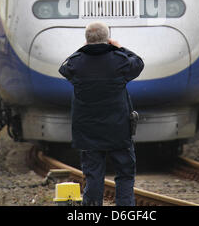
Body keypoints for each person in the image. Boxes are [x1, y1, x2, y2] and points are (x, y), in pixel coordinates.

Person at [58, 21, 144, 206]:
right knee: (125, 173)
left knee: (94, 174)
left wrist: (83, 49)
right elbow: (139, 63)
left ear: (86, 40)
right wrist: (121, 48)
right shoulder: (119, 60)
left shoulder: (76, 63)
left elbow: (63, 67)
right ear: (108, 39)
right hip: (119, 128)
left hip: (88, 130)